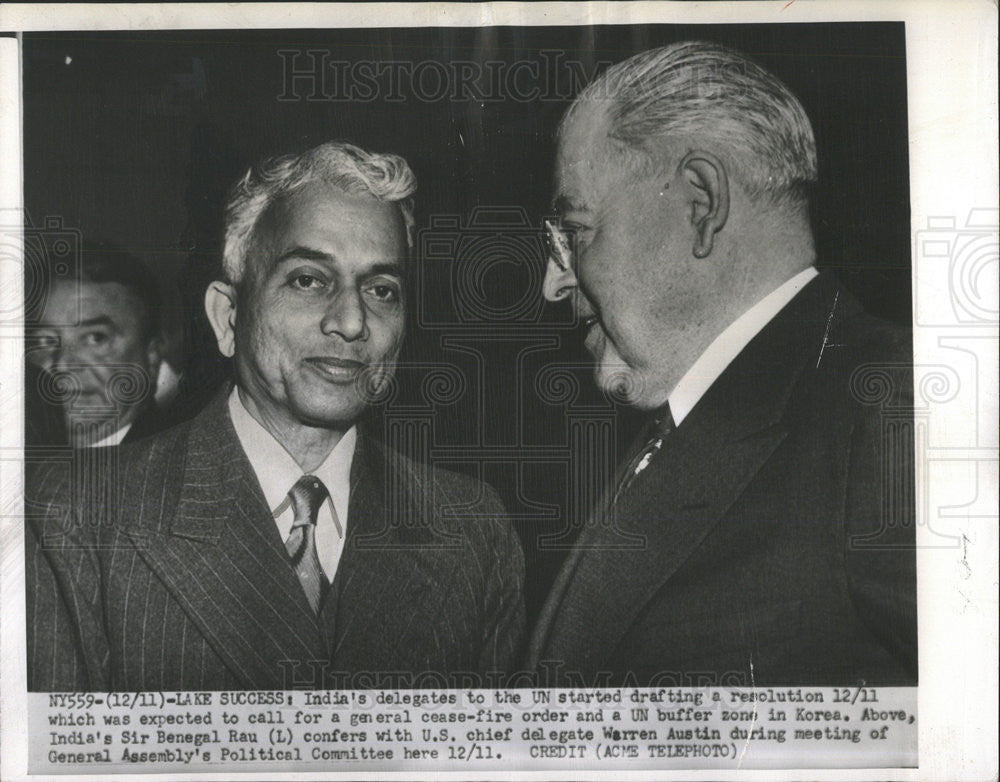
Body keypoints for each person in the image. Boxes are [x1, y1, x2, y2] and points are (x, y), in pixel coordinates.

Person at [27, 140, 525, 691]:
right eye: (308, 280)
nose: (352, 321)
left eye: (382, 289)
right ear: (228, 315)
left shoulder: (471, 529)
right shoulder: (74, 518)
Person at [527, 41, 916, 686]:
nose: (553, 283)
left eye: (575, 231)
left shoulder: (896, 407)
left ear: (702, 205)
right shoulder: (675, 423)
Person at [27, 243, 166, 447]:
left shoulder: (179, 466)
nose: (63, 364)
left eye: (95, 338)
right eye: (45, 341)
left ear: (152, 356)